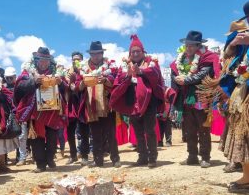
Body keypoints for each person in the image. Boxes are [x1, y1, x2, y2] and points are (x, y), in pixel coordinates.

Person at [110, 35, 164, 168]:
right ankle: (142, 156)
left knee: (149, 131)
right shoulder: (124, 67)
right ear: (129, 54)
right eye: (133, 52)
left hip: (148, 103)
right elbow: (118, 82)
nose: (135, 54)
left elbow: (156, 76)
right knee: (138, 132)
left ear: (142, 52)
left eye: (137, 51)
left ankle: (152, 157)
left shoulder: (150, 63)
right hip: (132, 104)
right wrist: (128, 76)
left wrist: (142, 72)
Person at [170, 31, 220, 168]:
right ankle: (192, 156)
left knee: (203, 129)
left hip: (201, 98)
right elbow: (175, 73)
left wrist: (185, 80)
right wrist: (177, 80)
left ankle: (205, 157)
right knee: (189, 130)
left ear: (198, 46)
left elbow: (201, 76)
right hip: (186, 100)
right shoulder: (181, 60)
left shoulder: (207, 58)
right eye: (187, 45)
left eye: (192, 45)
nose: (188, 48)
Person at [14, 47, 65, 172]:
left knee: (53, 137)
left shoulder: (55, 72)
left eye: (46, 60)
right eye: (41, 60)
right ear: (36, 60)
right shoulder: (28, 73)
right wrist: (33, 81)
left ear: (50, 61)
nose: (44, 63)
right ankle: (40, 164)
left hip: (52, 110)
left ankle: (50, 158)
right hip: (35, 111)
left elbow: (64, 89)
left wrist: (61, 83)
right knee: (37, 139)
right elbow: (19, 88)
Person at [219, 8, 249, 192]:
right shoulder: (244, 39)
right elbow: (228, 60)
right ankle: (247, 176)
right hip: (244, 89)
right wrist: (233, 45)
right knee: (244, 133)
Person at [77, 41, 120, 168]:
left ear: (102, 53)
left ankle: (115, 159)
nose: (96, 56)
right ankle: (98, 160)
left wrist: (106, 80)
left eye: (98, 53)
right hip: (91, 106)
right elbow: (78, 87)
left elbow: (115, 80)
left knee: (110, 134)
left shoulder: (109, 66)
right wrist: (83, 83)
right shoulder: (84, 68)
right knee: (95, 135)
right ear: (90, 54)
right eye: (93, 54)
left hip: (106, 105)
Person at [65, 51, 90, 165]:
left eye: (78, 59)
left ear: (82, 60)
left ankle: (84, 156)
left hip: (82, 104)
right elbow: (64, 87)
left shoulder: (86, 71)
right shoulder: (67, 73)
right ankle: (73, 155)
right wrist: (70, 82)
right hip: (71, 105)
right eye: (74, 59)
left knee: (84, 132)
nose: (76, 61)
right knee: (70, 132)